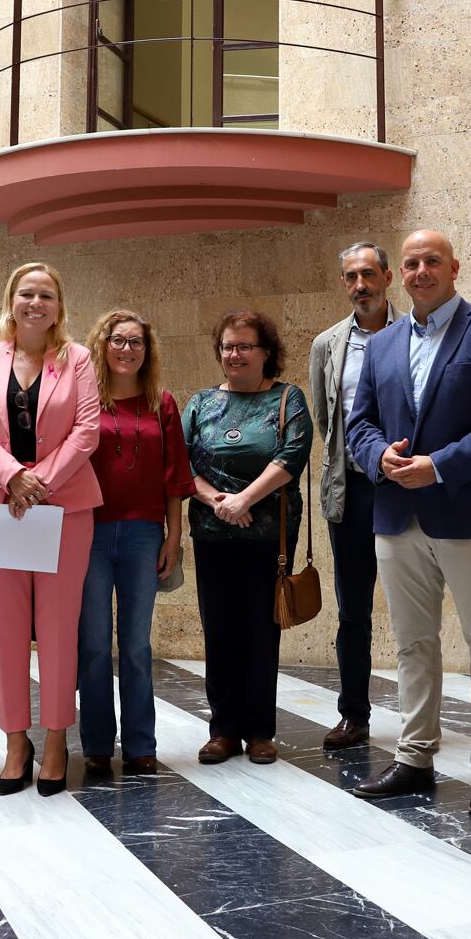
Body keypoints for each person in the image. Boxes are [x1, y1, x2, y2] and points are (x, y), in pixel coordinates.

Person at [346, 229, 471, 818]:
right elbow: (360, 424)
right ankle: (415, 756)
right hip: (397, 516)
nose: (421, 271)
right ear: (399, 273)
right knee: (412, 644)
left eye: (432, 261)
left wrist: (439, 467)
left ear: (454, 267)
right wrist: (379, 457)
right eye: (411, 263)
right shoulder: (381, 346)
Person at [0, 262, 100, 797]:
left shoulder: (78, 358)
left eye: (45, 295)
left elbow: (87, 429)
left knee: (60, 629)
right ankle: (16, 742)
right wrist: (11, 477)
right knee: (8, 632)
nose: (35, 303)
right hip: (0, 510)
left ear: (58, 306)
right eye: (26, 294)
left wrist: (36, 482)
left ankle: (57, 739)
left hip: (64, 511)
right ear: (11, 301)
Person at [183, 310, 313, 765]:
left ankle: (259, 730)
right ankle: (223, 730)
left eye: (244, 346)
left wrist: (244, 500)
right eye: (227, 347)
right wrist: (218, 500)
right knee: (219, 629)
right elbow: (180, 465)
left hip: (269, 535)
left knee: (261, 630)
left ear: (265, 352)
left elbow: (292, 454)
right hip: (211, 531)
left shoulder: (287, 398)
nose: (234, 354)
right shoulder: (200, 403)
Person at [77, 309, 195, 777]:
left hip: (146, 534)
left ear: (148, 352)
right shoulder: (85, 400)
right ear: (102, 346)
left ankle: (142, 744)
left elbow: (174, 475)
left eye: (137, 342)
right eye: (118, 340)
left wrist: (174, 535)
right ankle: (97, 745)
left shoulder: (160, 403)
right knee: (92, 644)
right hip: (89, 532)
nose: (127, 349)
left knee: (135, 644)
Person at [308, 241, 399, 750]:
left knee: (416, 608)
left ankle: (419, 718)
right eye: (351, 277)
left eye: (368, 274)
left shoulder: (415, 332)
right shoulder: (327, 344)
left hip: (408, 488)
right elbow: (327, 423)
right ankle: (354, 715)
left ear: (387, 277)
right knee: (353, 610)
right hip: (352, 491)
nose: (360, 285)